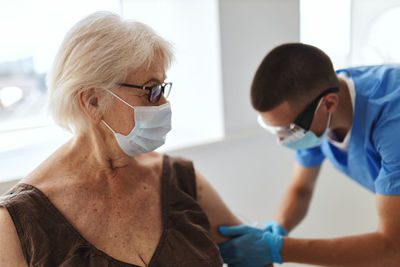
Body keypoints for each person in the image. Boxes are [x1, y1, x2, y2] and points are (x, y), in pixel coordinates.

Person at [0, 11, 242, 267]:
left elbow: (258, 258)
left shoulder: (178, 178)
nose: (164, 103)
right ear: (92, 102)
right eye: (152, 90)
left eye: (162, 88)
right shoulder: (18, 223)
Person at [218, 43, 400, 266]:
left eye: (288, 130)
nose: (282, 140)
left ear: (329, 104)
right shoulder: (317, 107)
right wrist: (278, 229)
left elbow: (392, 248)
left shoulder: (392, 121)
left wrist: (279, 249)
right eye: (275, 131)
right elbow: (301, 189)